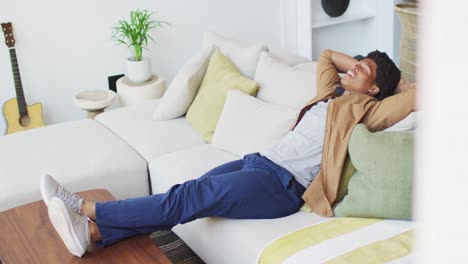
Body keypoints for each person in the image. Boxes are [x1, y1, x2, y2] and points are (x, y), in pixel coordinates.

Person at [41, 49, 415, 257]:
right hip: (258, 163)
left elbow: (416, 97)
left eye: (364, 69)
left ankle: (87, 208)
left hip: (281, 186)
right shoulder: (333, 93)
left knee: (188, 197)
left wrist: (394, 84)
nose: (354, 68)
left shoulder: (367, 109)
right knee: (183, 196)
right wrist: (359, 68)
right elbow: (327, 58)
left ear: (375, 89)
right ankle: (92, 235)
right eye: (358, 62)